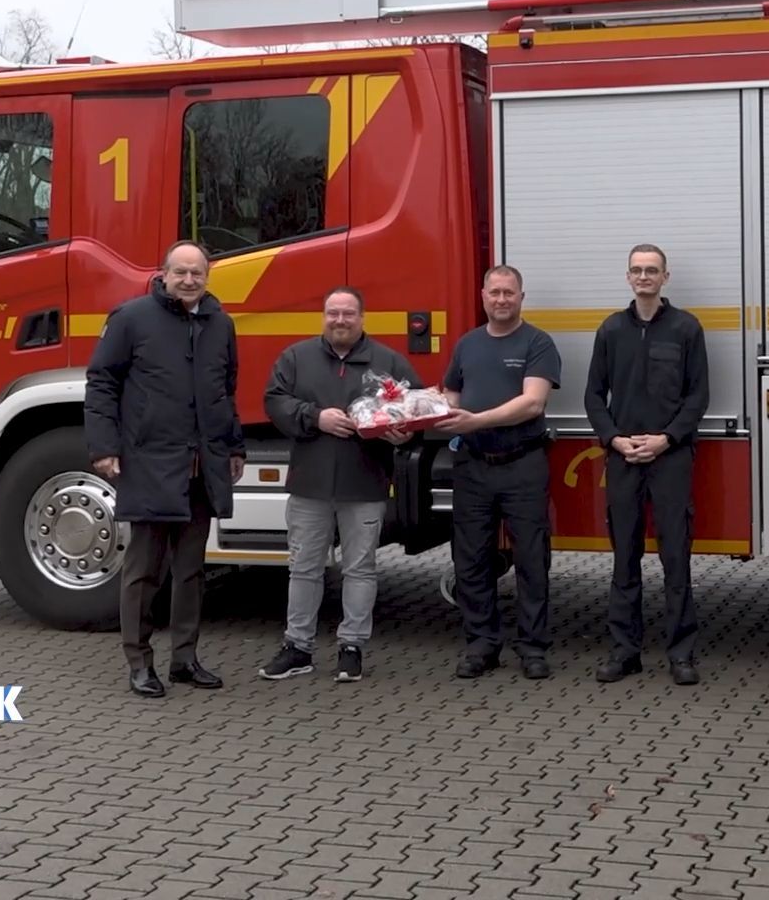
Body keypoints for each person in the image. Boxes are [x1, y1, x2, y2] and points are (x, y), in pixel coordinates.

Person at [84, 241, 245, 698]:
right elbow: (101, 384)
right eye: (181, 272)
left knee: (192, 569)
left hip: (202, 466)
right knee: (144, 570)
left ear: (207, 276)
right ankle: (139, 662)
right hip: (150, 462)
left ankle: (185, 659)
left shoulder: (220, 324)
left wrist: (234, 447)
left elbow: (225, 392)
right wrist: (104, 447)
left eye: (197, 273)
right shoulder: (131, 319)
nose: (189, 280)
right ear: (164, 273)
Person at [258, 287, 419, 685]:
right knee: (304, 569)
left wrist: (404, 435)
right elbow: (274, 401)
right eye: (333, 313)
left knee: (360, 569)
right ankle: (298, 647)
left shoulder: (388, 362)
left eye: (348, 314)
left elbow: (415, 410)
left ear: (362, 318)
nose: (340, 320)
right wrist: (315, 417)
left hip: (364, 484)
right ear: (324, 317)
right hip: (309, 484)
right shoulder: (297, 358)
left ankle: (352, 647)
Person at [583, 244, 710, 686]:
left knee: (676, 559)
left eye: (651, 270)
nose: (644, 277)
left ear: (665, 277)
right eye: (637, 270)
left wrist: (666, 439)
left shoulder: (686, 328)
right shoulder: (611, 329)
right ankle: (625, 652)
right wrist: (614, 439)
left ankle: (681, 654)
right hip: (623, 459)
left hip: (670, 458)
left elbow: (698, 396)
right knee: (625, 559)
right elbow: (593, 396)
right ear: (628, 277)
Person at [434, 265, 563, 680]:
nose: (502, 299)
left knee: (531, 559)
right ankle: (481, 645)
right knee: (470, 559)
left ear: (522, 297)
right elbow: (450, 396)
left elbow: (532, 404)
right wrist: (417, 411)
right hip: (473, 465)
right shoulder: (468, 344)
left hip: (523, 463)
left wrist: (475, 420)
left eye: (510, 293)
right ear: (483, 296)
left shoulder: (538, 342)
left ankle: (533, 648)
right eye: (495, 293)